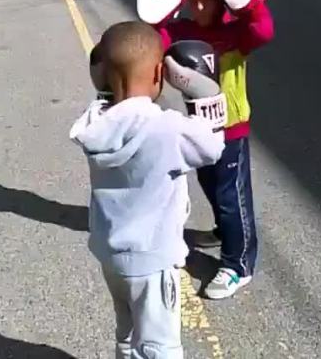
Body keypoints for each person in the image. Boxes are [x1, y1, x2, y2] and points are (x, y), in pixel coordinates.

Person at [70, 21, 225, 359]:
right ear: (160, 73)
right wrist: (204, 91)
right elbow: (212, 147)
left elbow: (107, 93)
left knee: (127, 334)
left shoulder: (95, 124)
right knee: (159, 347)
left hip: (111, 256)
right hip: (152, 261)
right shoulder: (166, 128)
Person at [145, 0, 274, 300]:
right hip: (199, 128)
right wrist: (159, 12)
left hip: (231, 128)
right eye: (193, 0)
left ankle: (238, 264)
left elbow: (263, 30)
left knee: (232, 195)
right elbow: (155, 41)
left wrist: (251, 1)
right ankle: (222, 229)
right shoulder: (183, 30)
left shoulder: (236, 33)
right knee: (209, 183)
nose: (198, 6)